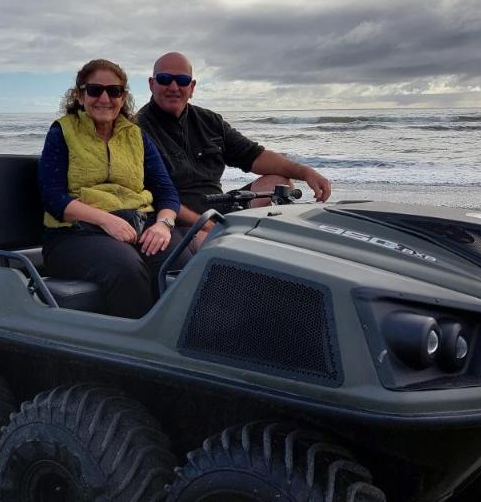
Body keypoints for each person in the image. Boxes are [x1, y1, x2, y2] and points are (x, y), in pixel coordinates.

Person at [39, 58, 188, 319]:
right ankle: (136, 346)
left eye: (114, 91)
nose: (105, 98)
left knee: (181, 261)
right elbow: (52, 197)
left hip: (136, 226)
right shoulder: (62, 132)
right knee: (126, 267)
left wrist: (163, 225)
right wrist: (106, 220)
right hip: (74, 236)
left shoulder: (136, 135)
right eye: (95, 90)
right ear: (80, 95)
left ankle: (184, 342)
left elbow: (166, 191)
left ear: (123, 97)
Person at [134, 51, 332, 238]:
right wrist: (208, 227)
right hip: (175, 220)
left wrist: (305, 172)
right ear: (152, 84)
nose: (174, 87)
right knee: (210, 243)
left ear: (192, 87)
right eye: (165, 79)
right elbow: (158, 195)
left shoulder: (210, 121)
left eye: (182, 81)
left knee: (280, 183)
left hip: (219, 209)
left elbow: (254, 155)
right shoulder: (136, 130)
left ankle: (268, 244)